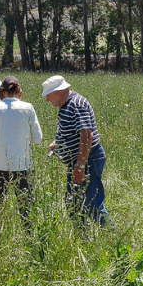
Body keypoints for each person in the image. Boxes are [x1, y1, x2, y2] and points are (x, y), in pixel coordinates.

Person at [43, 75, 112, 228]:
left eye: (49, 95)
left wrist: (80, 166)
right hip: (79, 162)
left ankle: (112, 239)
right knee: (73, 203)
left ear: (58, 92)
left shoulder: (76, 104)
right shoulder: (66, 105)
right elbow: (73, 131)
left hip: (88, 161)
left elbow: (87, 135)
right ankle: (83, 240)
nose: (47, 100)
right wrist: (58, 143)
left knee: (92, 204)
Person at [0, 76, 43, 228]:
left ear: (2, 92)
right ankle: (29, 238)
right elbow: (38, 139)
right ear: (19, 90)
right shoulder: (28, 108)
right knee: (26, 208)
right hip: (23, 165)